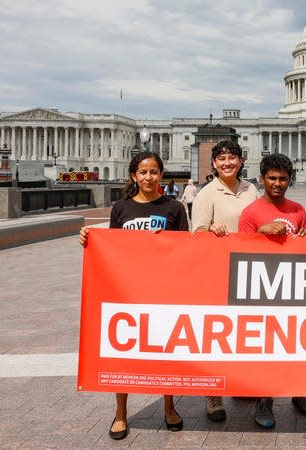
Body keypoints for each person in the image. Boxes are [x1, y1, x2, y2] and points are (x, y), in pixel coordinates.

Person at [78, 151, 188, 440]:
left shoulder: (174, 208)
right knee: (122, 352)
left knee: (166, 353)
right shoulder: (121, 208)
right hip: (128, 291)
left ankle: (169, 406)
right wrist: (90, 241)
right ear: (134, 176)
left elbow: (187, 251)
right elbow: (112, 248)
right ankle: (121, 412)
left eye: (153, 172)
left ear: (161, 175)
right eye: (143, 172)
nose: (148, 177)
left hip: (164, 290)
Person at [238, 153, 306, 428]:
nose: (277, 183)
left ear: (289, 180)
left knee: (297, 344)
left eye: (283, 178)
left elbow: (303, 246)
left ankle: (300, 392)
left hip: (293, 287)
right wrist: (259, 232)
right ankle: (264, 399)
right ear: (262, 180)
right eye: (272, 178)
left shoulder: (297, 210)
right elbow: (241, 254)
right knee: (265, 349)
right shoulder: (250, 213)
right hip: (262, 289)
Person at [190, 140, 259, 422]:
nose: (227, 162)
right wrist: (211, 230)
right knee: (217, 333)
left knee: (242, 333)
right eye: (222, 159)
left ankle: (239, 383)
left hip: (249, 271)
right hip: (219, 271)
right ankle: (212, 393)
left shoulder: (251, 189)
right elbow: (198, 234)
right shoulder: (207, 193)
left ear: (241, 161)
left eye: (232, 158)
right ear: (214, 163)